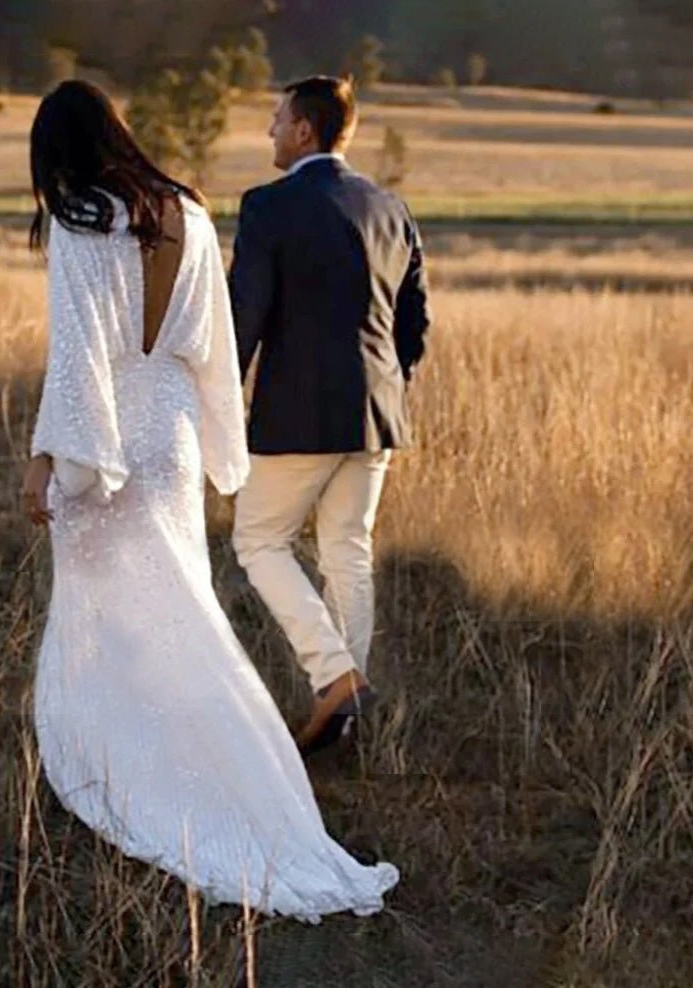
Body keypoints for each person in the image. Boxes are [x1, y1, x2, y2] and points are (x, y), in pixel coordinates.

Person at [20, 80, 398, 921]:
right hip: (174, 430)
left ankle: (124, 767)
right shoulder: (186, 211)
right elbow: (217, 347)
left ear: (60, 152)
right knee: (181, 606)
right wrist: (218, 444)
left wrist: (56, 460)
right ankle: (232, 771)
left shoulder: (82, 220)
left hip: (110, 425)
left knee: (108, 610)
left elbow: (79, 354)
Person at [229, 76, 430, 758]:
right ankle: (347, 716)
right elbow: (414, 325)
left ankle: (335, 678)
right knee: (349, 552)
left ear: (304, 131)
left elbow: (243, 318)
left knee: (258, 542)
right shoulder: (391, 206)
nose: (269, 131)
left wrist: (220, 402)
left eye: (276, 119)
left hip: (296, 414)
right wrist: (383, 385)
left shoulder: (267, 207)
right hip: (376, 412)